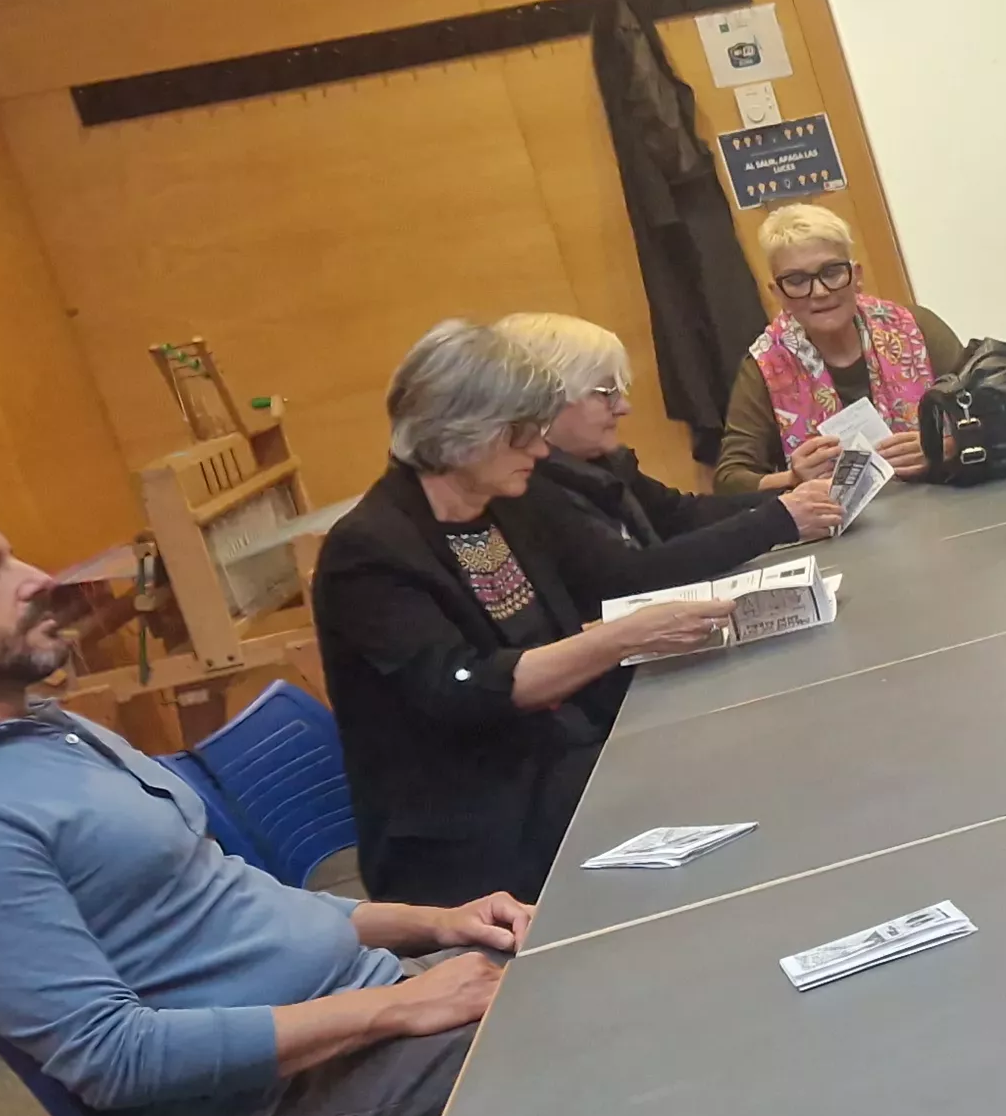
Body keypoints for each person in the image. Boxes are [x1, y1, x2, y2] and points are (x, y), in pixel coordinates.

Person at [0, 477, 531, 1116]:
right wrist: (399, 1011)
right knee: (594, 1031)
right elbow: (114, 1057)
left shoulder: (44, 729)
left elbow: (223, 897)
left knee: (600, 950)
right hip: (289, 1115)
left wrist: (431, 922)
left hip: (369, 1007)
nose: (36, 579)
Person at [315, 320, 735, 906]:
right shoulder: (369, 552)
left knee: (723, 751)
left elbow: (592, 603)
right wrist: (619, 639)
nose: (539, 451)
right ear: (459, 431)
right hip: (470, 828)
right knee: (713, 794)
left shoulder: (507, 504)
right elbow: (469, 688)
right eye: (520, 436)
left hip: (556, 764)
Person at [505, 311, 838, 589]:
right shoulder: (532, 491)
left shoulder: (600, 463)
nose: (624, 407)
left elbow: (680, 515)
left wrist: (793, 493)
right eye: (605, 392)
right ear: (547, 403)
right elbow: (632, 575)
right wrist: (777, 520)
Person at [712, 203, 964, 495]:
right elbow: (729, 480)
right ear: (778, 294)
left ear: (856, 275)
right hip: (839, 527)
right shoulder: (765, 365)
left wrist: (945, 446)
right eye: (796, 280)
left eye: (831, 272)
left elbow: (997, 415)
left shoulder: (916, 328)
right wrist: (793, 478)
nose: (819, 292)